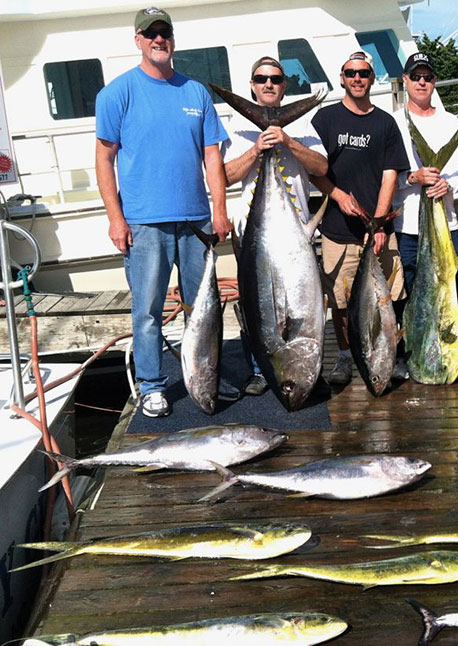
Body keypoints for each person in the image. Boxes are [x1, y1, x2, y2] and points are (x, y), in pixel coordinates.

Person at [95, 6, 230, 418]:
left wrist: (220, 210)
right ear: (138, 40)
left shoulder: (195, 92)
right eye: (150, 33)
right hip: (144, 223)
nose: (159, 39)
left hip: (196, 221)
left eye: (165, 32)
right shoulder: (117, 93)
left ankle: (202, 377)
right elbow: (104, 159)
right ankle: (152, 385)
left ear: (173, 39)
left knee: (202, 308)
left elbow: (212, 156)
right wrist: (116, 219)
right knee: (148, 311)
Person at [221, 56, 328, 396]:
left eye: (276, 79)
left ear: (284, 86)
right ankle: (260, 370)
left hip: (296, 233)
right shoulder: (237, 130)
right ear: (252, 85)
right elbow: (224, 176)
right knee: (257, 303)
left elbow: (321, 168)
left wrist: (288, 142)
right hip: (255, 238)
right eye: (261, 78)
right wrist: (257, 149)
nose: (268, 84)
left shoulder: (305, 127)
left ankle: (299, 364)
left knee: (299, 302)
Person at [310, 51, 409, 386]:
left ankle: (389, 353)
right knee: (340, 301)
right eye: (351, 73)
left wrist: (380, 225)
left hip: (377, 231)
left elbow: (390, 176)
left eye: (364, 73)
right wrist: (338, 196)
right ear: (341, 78)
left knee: (389, 297)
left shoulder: (385, 123)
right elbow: (313, 170)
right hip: (337, 230)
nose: (357, 78)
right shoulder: (324, 120)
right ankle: (343, 357)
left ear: (371, 78)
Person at [391, 52, 458, 380]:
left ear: (433, 81)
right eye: (416, 76)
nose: (422, 82)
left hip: (445, 224)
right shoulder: (395, 123)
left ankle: (450, 353)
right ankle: (412, 355)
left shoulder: (451, 123)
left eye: (427, 76)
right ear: (406, 81)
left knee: (449, 291)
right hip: (407, 226)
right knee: (412, 297)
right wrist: (413, 178)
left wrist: (447, 184)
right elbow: (388, 177)